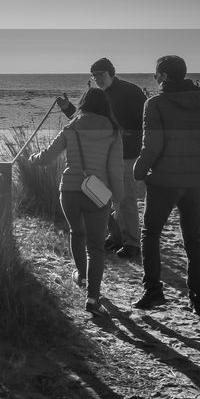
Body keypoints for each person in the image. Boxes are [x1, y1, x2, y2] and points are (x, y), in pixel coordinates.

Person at [132, 54, 200, 316]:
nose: (155, 80)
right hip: (194, 182)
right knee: (193, 240)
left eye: (155, 75)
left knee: (150, 234)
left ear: (162, 76)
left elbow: (152, 146)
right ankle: (198, 298)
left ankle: (153, 291)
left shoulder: (155, 104)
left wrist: (138, 171)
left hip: (163, 180)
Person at [28, 88, 124, 317]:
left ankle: (81, 275)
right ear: (105, 106)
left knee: (76, 232)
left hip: (69, 190)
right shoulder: (112, 132)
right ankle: (93, 297)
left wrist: (32, 159)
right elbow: (115, 170)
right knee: (96, 246)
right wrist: (118, 200)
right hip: (97, 193)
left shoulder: (72, 127)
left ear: (83, 104)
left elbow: (48, 156)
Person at [54, 57, 148, 257]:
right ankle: (115, 237)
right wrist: (67, 108)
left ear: (111, 72)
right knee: (101, 196)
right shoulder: (96, 95)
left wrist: (128, 136)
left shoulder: (131, 92)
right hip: (100, 156)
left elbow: (146, 123)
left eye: (100, 75)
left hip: (127, 154)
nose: (97, 79)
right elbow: (83, 120)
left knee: (125, 198)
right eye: (94, 76)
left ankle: (132, 242)